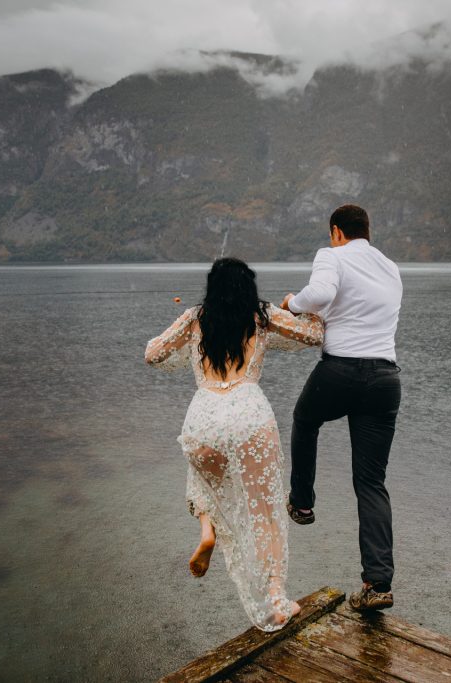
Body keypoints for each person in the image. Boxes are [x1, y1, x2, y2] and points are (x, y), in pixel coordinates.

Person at [144, 257, 324, 631]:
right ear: (249, 286)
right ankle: (275, 599)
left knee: (204, 479)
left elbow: (153, 354)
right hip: (249, 415)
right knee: (265, 512)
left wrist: (185, 347)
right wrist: (305, 307)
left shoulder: (195, 317)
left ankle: (207, 529)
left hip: (204, 417)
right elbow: (313, 335)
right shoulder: (262, 315)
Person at [281, 204, 403, 612]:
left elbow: (320, 295)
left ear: (337, 232)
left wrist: (292, 303)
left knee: (304, 419)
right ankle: (377, 583)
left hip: (342, 371)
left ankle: (301, 501)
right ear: (367, 231)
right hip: (386, 379)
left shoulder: (330, 255)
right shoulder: (390, 267)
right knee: (371, 483)